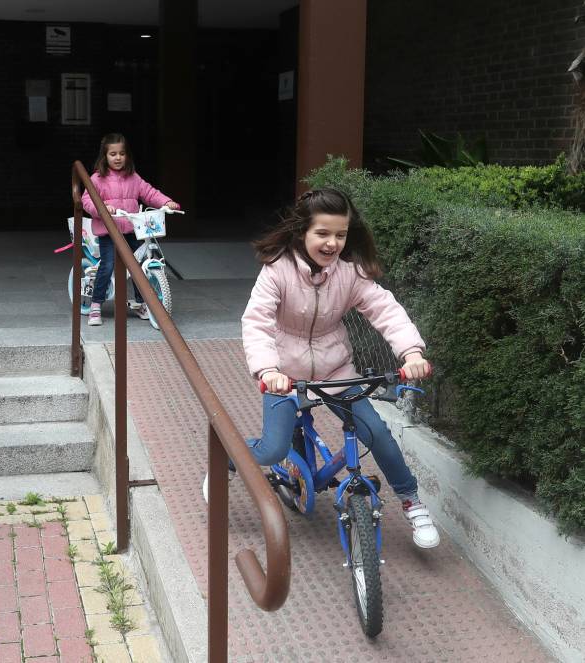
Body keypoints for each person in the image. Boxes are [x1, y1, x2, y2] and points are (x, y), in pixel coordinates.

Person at [204, 188, 440, 549]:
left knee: (376, 434)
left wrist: (411, 352)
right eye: (323, 233)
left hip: (336, 372)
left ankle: (412, 502)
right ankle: (230, 458)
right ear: (302, 232)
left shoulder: (350, 273)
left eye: (341, 235)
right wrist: (268, 370)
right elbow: (257, 322)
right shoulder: (277, 271)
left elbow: (385, 310)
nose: (332, 243)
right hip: (285, 376)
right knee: (271, 449)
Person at [80, 133, 179, 326]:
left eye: (122, 153)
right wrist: (101, 208)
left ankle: (141, 303)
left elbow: (149, 192)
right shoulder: (98, 178)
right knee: (108, 265)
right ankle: (96, 305)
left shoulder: (133, 178)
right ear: (105, 156)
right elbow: (87, 200)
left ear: (127, 156)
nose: (118, 158)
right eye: (113, 154)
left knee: (138, 264)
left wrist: (166, 202)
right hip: (109, 231)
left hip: (132, 230)